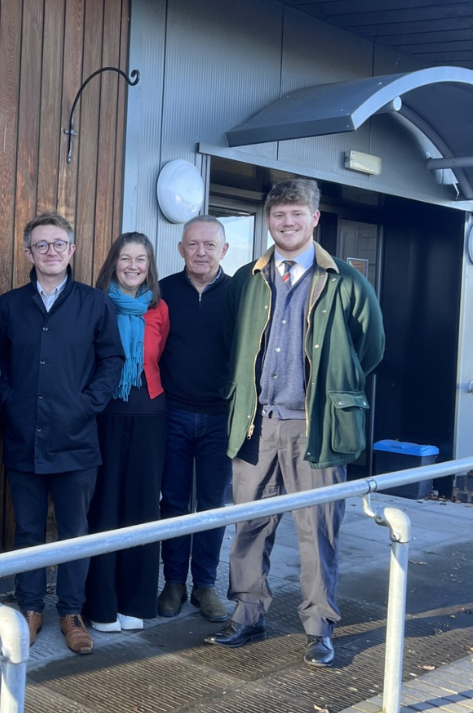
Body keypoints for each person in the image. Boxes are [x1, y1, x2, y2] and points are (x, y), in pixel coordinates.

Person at [205, 179, 384, 668]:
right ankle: (246, 614)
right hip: (256, 425)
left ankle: (319, 626)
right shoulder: (247, 278)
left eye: (297, 214)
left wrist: (330, 391)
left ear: (314, 218)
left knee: (318, 530)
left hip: (316, 427)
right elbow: (231, 343)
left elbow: (370, 348)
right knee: (249, 525)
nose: (288, 223)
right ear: (269, 220)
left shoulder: (345, 280)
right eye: (279, 215)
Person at [0, 211, 124, 655]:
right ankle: (30, 608)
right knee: (28, 531)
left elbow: (112, 362)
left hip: (77, 440)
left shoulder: (95, 303)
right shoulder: (10, 305)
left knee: (74, 531)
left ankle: (71, 612)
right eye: (41, 245)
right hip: (23, 439)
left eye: (58, 244)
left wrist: (87, 405)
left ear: (72, 250)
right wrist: (10, 400)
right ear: (28, 252)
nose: (50, 252)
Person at [84, 233, 169, 633]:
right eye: (125, 258)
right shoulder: (95, 304)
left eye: (141, 259)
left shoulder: (159, 309)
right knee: (104, 508)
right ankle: (101, 606)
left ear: (149, 265)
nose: (133, 266)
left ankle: (137, 602)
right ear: (113, 262)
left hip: (150, 414)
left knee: (142, 508)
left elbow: (161, 355)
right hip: (105, 415)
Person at [156, 215, 232, 623]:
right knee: (172, 501)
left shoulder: (240, 293)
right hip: (174, 414)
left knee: (212, 504)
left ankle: (205, 584)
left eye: (209, 245)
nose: (200, 252)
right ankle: (172, 582)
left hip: (221, 417)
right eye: (193, 244)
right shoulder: (163, 291)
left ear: (224, 250)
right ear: (181, 248)